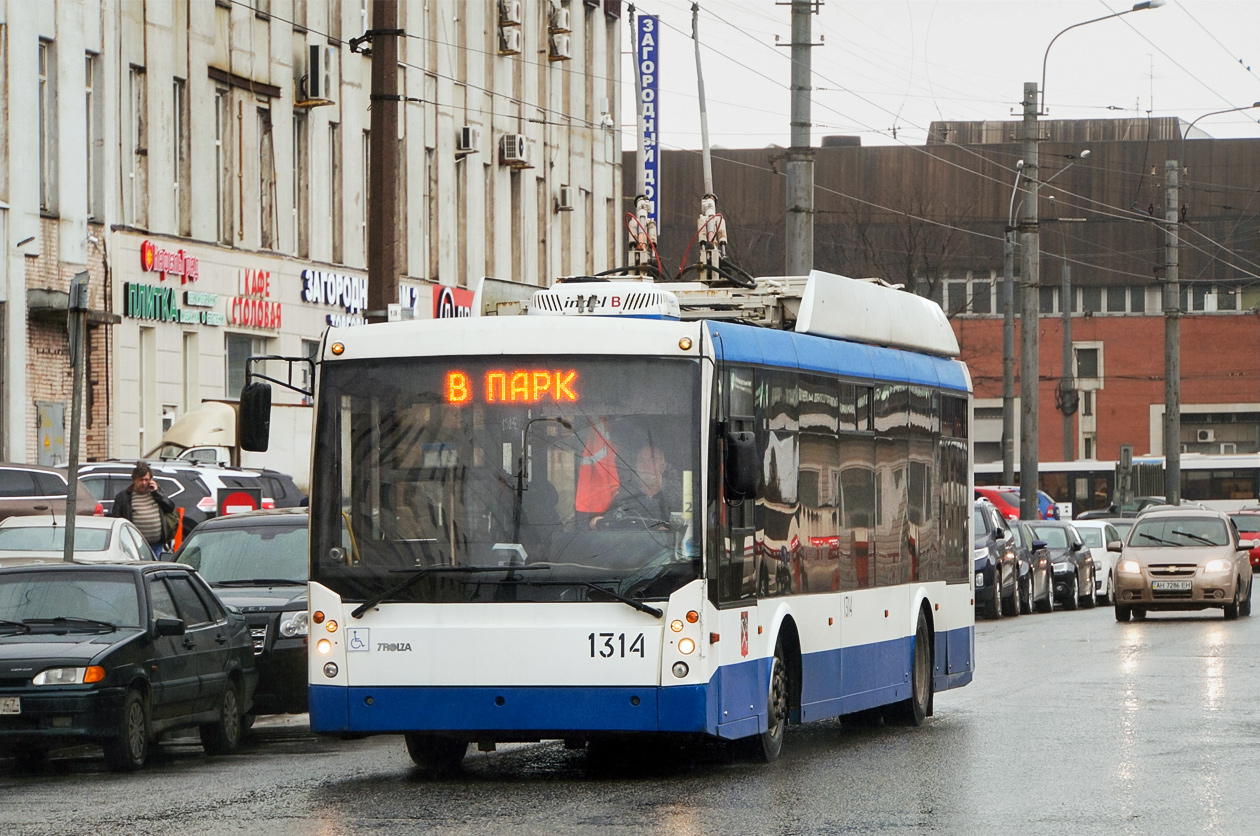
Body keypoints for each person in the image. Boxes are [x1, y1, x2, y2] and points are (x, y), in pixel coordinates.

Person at [590, 441, 674, 529]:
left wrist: (669, 532)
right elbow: (607, 521)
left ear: (663, 467)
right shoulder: (623, 496)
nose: (646, 465)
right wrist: (598, 522)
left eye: (652, 460)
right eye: (641, 460)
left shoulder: (678, 498)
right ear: (636, 466)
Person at [111, 461, 176, 559]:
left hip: (156, 544)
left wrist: (157, 493)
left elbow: (170, 507)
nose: (144, 483)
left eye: (146, 480)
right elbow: (116, 519)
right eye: (141, 480)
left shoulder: (157, 493)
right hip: (135, 545)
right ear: (134, 480)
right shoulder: (124, 497)